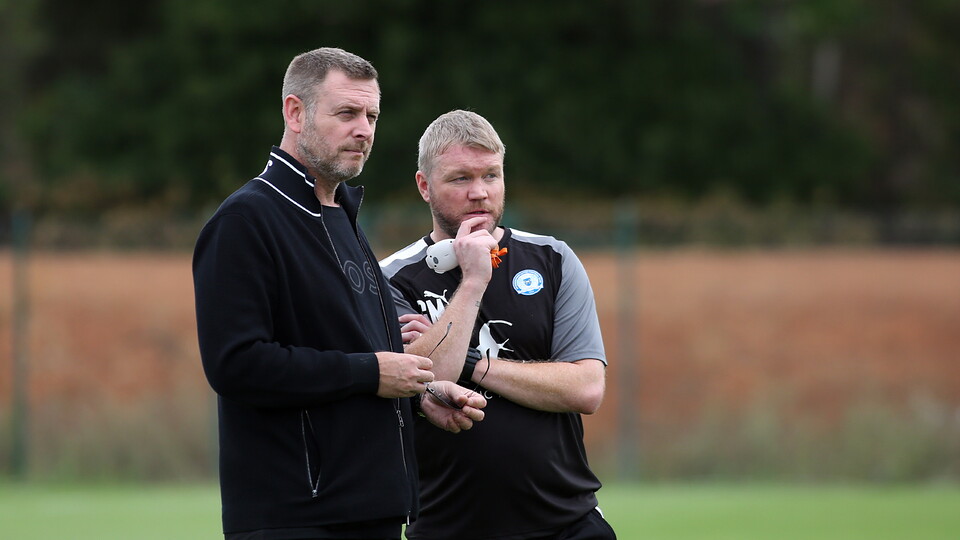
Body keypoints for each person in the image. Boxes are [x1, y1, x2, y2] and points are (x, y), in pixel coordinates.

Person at [193, 49, 485, 540]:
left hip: (371, 509)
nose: (364, 129)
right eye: (347, 113)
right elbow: (236, 364)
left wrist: (418, 394)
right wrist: (372, 372)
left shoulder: (342, 218)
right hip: (297, 517)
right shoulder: (246, 221)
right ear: (295, 112)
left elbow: (351, 357)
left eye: (372, 115)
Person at [380, 110, 616, 540]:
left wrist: (467, 361)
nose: (479, 193)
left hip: (567, 524)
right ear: (424, 186)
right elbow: (418, 382)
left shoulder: (553, 259)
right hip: (445, 526)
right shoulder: (388, 279)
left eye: (491, 175)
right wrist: (473, 281)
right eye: (460, 179)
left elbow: (585, 388)